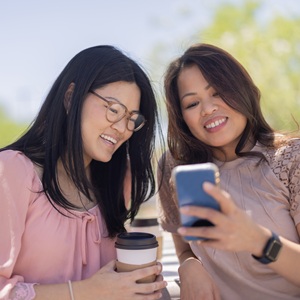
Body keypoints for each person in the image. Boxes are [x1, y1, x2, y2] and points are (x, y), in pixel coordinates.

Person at [0, 45, 167, 300]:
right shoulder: (12, 171)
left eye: (132, 118)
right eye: (113, 110)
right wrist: (87, 292)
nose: (122, 128)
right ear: (71, 97)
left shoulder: (117, 180)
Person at [157, 43, 300, 300]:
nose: (208, 109)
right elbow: (184, 248)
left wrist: (259, 240)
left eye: (218, 92)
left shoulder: (291, 158)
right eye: (192, 104)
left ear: (242, 90)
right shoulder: (175, 168)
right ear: (181, 117)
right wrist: (189, 265)